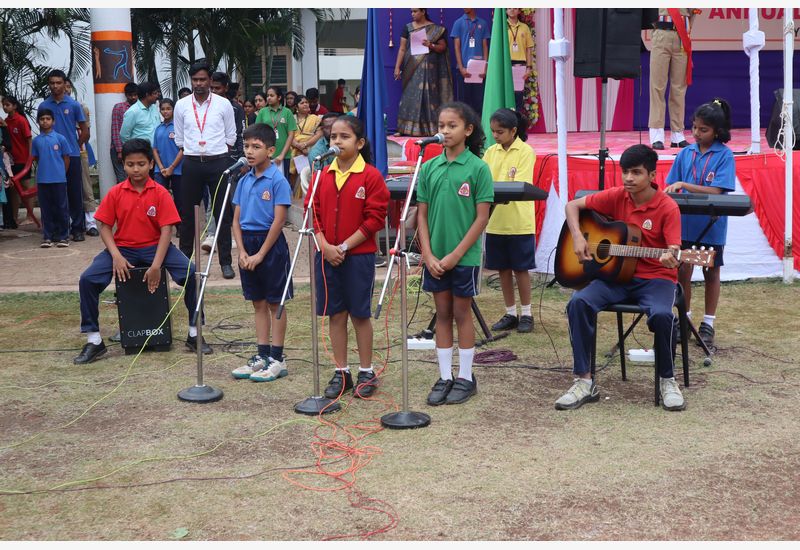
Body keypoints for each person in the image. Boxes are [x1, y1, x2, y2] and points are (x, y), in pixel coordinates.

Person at [556, 144, 685, 411]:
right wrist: (579, 237)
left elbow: (674, 250)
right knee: (578, 303)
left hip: (657, 278)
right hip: (615, 277)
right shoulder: (617, 196)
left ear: (652, 175)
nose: (628, 178)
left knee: (663, 315)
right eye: (625, 172)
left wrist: (671, 256)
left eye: (636, 173)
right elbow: (572, 206)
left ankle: (667, 380)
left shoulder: (668, 208)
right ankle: (584, 381)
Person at [74, 138, 210, 364]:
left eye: (141, 164)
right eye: (130, 164)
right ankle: (94, 340)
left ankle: (194, 333)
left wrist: (156, 266)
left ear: (151, 165)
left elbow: (167, 231)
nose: (135, 169)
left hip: (157, 247)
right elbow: (104, 226)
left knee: (193, 275)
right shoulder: (116, 192)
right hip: (123, 248)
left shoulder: (160, 192)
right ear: (123, 164)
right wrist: (116, 255)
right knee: (87, 279)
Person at [306, 115, 389, 399]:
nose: (337, 142)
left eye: (344, 137)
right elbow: (312, 212)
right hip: (325, 254)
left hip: (357, 257)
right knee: (335, 313)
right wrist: (325, 245)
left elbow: (375, 219)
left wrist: (342, 247)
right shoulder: (321, 173)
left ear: (360, 142)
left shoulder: (371, 176)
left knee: (359, 314)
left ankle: (367, 370)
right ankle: (342, 372)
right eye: (333, 137)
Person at [416, 102, 494, 405]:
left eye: (452, 126)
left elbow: (481, 218)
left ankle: (465, 377)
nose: (445, 131)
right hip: (436, 257)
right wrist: (429, 254)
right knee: (443, 314)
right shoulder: (429, 167)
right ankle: (445, 376)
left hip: (465, 258)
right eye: (441, 125)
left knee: (462, 313)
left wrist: (455, 256)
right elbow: (421, 215)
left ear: (468, 130)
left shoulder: (478, 168)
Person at [664, 98, 735, 349]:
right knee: (683, 270)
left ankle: (708, 324)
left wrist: (684, 185)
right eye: (693, 127)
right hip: (684, 225)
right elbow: (670, 186)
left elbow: (717, 190)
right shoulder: (685, 153)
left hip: (711, 226)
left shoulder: (725, 155)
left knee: (710, 271)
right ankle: (684, 319)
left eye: (703, 129)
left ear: (717, 131)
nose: (696, 133)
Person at [229, 124, 293, 382]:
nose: (250, 151)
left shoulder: (277, 180)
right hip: (248, 242)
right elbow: (235, 220)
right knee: (258, 302)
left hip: (271, 244)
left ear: (270, 150)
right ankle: (262, 354)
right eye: (246, 146)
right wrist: (243, 252)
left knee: (276, 301)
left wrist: (260, 254)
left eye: (256, 147)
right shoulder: (243, 180)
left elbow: (278, 221)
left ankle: (278, 357)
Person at [173, 60, 237, 280]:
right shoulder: (181, 105)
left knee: (222, 214)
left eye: (202, 79)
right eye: (195, 80)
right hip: (191, 163)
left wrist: (217, 153)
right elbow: (179, 138)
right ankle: (183, 263)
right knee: (188, 215)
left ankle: (226, 262)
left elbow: (231, 136)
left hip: (218, 162)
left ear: (210, 80)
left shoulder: (223, 104)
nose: (198, 84)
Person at [483, 108, 536, 334]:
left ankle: (527, 313)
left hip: (519, 221)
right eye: (493, 131)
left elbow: (519, 185)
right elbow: (482, 179)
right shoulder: (490, 152)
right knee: (502, 269)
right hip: (495, 222)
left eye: (500, 132)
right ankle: (510, 312)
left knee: (520, 269)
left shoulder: (525, 151)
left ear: (514, 131)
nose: (495, 136)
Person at [39, 69, 88, 241]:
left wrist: (75, 145)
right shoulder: (44, 106)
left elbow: (84, 129)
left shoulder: (74, 105)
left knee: (75, 192)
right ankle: (57, 230)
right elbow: (42, 132)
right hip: (51, 158)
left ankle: (78, 229)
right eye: (52, 83)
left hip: (72, 155)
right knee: (54, 194)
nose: (55, 86)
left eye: (58, 82)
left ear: (64, 84)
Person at [393, 8, 454, 136]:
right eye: (411, 12)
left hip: (431, 70)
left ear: (423, 12)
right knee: (410, 97)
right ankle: (404, 128)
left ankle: (432, 129)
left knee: (430, 97)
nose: (412, 14)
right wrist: (397, 67)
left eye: (415, 11)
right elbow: (403, 49)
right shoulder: (408, 28)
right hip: (412, 68)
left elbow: (443, 47)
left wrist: (430, 45)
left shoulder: (436, 29)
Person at [649, 8, 696, 150]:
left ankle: (677, 135)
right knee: (657, 87)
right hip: (662, 33)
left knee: (679, 89)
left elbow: (693, 11)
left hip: (681, 36)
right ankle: (657, 135)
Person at [31, 108, 71, 248]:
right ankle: (47, 236)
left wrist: (61, 172)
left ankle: (63, 236)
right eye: (42, 119)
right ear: (38, 122)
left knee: (61, 208)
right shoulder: (36, 141)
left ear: (53, 121)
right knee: (46, 209)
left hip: (59, 179)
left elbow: (66, 158)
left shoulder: (60, 138)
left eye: (48, 119)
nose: (45, 121)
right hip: (42, 180)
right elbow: (36, 158)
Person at [65, 78, 99, 237]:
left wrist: (76, 145)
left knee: (85, 186)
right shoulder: (52, 108)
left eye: (67, 86)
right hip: (61, 153)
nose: (64, 89)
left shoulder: (80, 107)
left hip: (80, 150)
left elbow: (86, 131)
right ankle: (70, 221)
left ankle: (91, 222)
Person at [451, 8, 490, 115]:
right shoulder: (458, 23)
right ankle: (464, 128)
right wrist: (461, 67)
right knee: (464, 103)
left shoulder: (483, 23)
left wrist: (485, 67)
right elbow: (456, 47)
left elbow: (485, 46)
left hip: (479, 71)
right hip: (464, 70)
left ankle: (478, 129)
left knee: (479, 102)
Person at [1, 96, 32, 229]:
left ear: (14, 106)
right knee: (13, 189)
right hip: (11, 162)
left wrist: (30, 158)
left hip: (23, 159)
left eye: (7, 105)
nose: (5, 107)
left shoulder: (21, 120)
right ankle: (14, 217)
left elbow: (29, 140)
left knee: (26, 187)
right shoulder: (6, 122)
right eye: (3, 105)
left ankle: (30, 216)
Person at [254, 85, 296, 183]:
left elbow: (291, 135)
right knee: (265, 182)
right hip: (265, 155)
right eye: (268, 95)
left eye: (272, 95)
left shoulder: (287, 112)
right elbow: (257, 132)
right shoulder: (263, 112)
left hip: (283, 156)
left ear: (279, 97)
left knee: (282, 182)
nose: (268, 98)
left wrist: (282, 155)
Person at [152, 98, 183, 213]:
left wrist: (172, 167)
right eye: (163, 109)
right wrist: (161, 167)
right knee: (159, 200)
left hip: (177, 170)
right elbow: (154, 149)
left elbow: (182, 149)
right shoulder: (158, 128)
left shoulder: (178, 127)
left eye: (169, 109)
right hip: (160, 170)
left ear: (173, 110)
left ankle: (180, 228)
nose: (166, 112)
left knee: (180, 201)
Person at [300, 112, 338, 197]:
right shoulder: (316, 152)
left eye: (334, 126)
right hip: (329, 192)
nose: (332, 130)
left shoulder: (346, 144)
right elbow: (323, 181)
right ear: (322, 130)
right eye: (328, 127)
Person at [506, 8, 535, 115]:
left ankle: (517, 126)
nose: (512, 10)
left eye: (514, 7)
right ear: (505, 11)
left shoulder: (524, 27)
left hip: (520, 66)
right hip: (506, 65)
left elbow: (529, 48)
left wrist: (529, 67)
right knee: (506, 95)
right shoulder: (502, 27)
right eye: (509, 8)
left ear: (519, 11)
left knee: (518, 96)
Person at [289, 95, 323, 182]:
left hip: (311, 150)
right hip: (294, 150)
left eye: (306, 102)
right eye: (302, 103)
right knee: (295, 179)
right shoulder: (290, 118)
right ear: (296, 106)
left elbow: (319, 134)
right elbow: (288, 135)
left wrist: (305, 145)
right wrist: (298, 146)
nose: (305, 104)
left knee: (309, 177)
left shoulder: (315, 118)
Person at [110, 82, 139, 184]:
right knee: (122, 178)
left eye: (135, 95)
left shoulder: (141, 108)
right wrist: (119, 150)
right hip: (120, 149)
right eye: (131, 95)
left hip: (135, 148)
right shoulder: (119, 107)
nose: (133, 97)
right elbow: (115, 129)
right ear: (126, 95)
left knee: (135, 177)